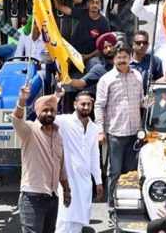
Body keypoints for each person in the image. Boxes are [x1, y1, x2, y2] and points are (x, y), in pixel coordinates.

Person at [13, 88, 71, 233]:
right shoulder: (30, 131)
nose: (49, 113)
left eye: (52, 110)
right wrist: (22, 100)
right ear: (38, 112)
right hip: (32, 199)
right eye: (45, 110)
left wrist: (66, 190)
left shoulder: (58, 135)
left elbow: (61, 166)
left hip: (52, 198)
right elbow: (16, 119)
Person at [95, 47, 145, 205]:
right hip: (116, 133)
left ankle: (129, 206)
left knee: (131, 173)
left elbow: (143, 102)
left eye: (125, 57)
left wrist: (157, 99)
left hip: (135, 134)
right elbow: (99, 106)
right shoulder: (106, 79)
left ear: (130, 57)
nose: (122, 60)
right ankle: (112, 207)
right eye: (119, 57)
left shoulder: (137, 76)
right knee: (114, 172)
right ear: (114, 59)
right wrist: (100, 131)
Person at [52, 91, 104, 233]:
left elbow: (95, 156)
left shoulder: (93, 128)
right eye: (83, 104)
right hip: (68, 180)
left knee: (79, 222)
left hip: (85, 181)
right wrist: (57, 96)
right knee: (64, 220)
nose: (86, 107)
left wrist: (98, 181)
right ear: (75, 105)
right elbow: (48, 114)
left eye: (89, 104)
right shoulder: (65, 121)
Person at [53, 0, 111, 72]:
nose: (94, 5)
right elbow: (59, 6)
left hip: (91, 56)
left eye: (97, 3)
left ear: (100, 5)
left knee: (95, 65)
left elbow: (103, 46)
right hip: (74, 52)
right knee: (61, 63)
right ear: (87, 5)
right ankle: (61, 83)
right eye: (92, 2)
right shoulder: (82, 13)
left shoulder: (104, 22)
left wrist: (88, 56)